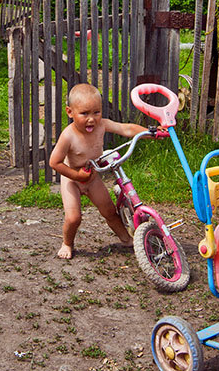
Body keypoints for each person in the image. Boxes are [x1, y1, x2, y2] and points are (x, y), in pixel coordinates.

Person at [48, 82, 146, 259]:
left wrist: (149, 132)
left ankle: (126, 239)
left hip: (92, 179)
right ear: (70, 112)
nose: (91, 119)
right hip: (72, 179)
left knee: (109, 211)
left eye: (96, 112)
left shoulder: (101, 126)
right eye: (84, 113)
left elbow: (126, 128)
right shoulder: (68, 136)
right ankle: (67, 243)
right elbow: (54, 163)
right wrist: (77, 175)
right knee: (74, 218)